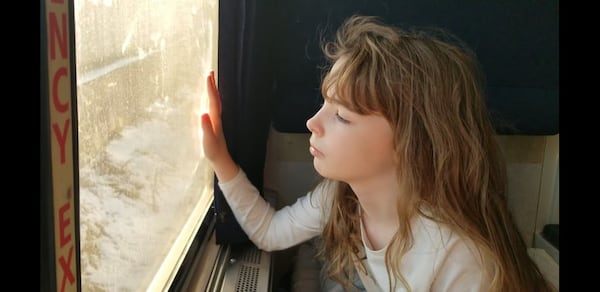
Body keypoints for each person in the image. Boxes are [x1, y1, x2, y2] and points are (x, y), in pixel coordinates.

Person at [200, 15, 553, 292]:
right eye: (324, 103)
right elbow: (270, 233)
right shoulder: (339, 198)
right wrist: (220, 159)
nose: (312, 122)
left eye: (341, 116)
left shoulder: (459, 260)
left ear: (409, 142)